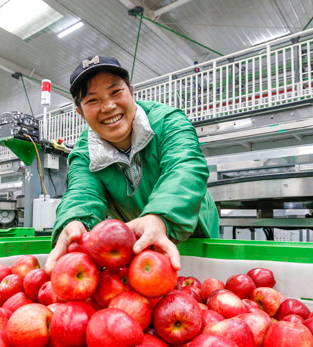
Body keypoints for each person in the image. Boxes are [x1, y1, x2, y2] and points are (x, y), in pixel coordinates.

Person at [46, 55, 220, 272]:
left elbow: (185, 168)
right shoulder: (84, 153)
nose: (108, 106)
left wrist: (159, 218)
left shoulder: (168, 122)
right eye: (92, 100)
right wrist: (73, 223)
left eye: (116, 92)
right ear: (79, 111)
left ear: (131, 91)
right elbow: (82, 193)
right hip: (141, 248)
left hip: (194, 231)